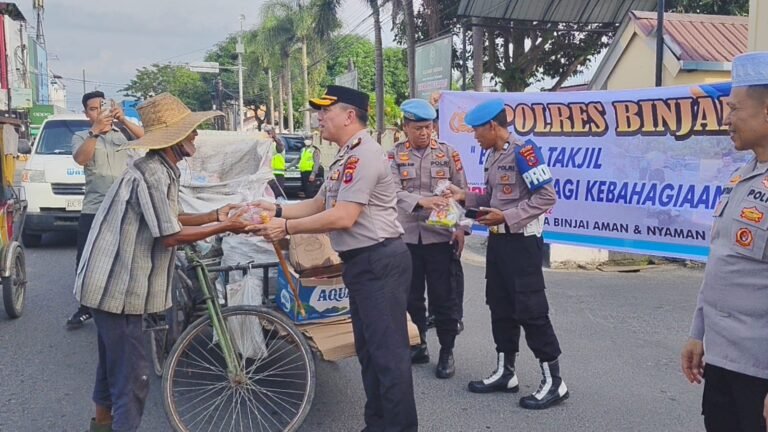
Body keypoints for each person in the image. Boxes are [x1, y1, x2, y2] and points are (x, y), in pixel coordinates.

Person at [74, 93, 249, 432]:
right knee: (132, 382)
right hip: (117, 290)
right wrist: (226, 225)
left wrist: (215, 214)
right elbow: (169, 236)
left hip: (109, 286)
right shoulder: (153, 172)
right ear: (174, 140)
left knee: (111, 373)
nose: (195, 136)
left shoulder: (161, 169)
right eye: (190, 132)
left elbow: (169, 217)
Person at [248, 85, 418, 431]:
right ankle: (378, 425)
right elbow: (318, 204)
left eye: (326, 111)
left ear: (349, 116)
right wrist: (277, 208)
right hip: (362, 264)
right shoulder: (344, 157)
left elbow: (343, 217)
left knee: (389, 358)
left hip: (380, 261)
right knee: (369, 354)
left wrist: (286, 227)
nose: (319, 118)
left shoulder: (365, 155)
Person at [445, 98, 568, 410]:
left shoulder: (524, 152)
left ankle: (554, 381)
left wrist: (507, 217)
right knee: (500, 305)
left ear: (493, 127)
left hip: (522, 244)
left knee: (531, 309)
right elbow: (493, 197)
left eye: (477, 131)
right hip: (499, 243)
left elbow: (546, 197)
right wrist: (465, 196)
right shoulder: (493, 155)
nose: (474, 136)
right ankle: (506, 372)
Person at [680, 51, 768, 432]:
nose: (726, 118)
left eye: (734, 108)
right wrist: (698, 333)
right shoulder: (745, 175)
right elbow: (724, 260)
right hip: (723, 361)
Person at [389, 98, 466, 379]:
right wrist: (423, 201)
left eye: (428, 127)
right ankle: (418, 343)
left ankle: (447, 350)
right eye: (418, 128)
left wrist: (461, 229)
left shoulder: (448, 154)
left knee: (443, 298)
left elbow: (464, 194)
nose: (424, 133)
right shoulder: (394, 156)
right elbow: (393, 193)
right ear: (406, 127)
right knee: (410, 297)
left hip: (440, 238)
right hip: (406, 236)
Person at [66, 91, 145, 330]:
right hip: (95, 207)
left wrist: (123, 120)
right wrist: (95, 132)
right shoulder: (82, 136)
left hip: (125, 206)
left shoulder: (123, 134)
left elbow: (148, 141)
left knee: (127, 256)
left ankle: (125, 305)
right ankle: (85, 307)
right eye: (92, 108)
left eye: (102, 106)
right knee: (86, 259)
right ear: (86, 113)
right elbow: (81, 159)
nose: (98, 111)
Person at [289, 131, 322, 197]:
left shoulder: (314, 150)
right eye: (306, 139)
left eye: (309, 139)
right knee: (304, 190)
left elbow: (316, 163)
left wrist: (313, 174)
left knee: (309, 191)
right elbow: (298, 159)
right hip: (303, 172)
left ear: (312, 140)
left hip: (310, 172)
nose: (307, 140)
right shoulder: (303, 150)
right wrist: (289, 166)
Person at [266, 125, 287, 198]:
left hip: (278, 173)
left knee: (277, 194)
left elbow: (280, 148)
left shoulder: (278, 145)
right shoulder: (266, 146)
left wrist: (275, 137)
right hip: (268, 174)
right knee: (269, 195)